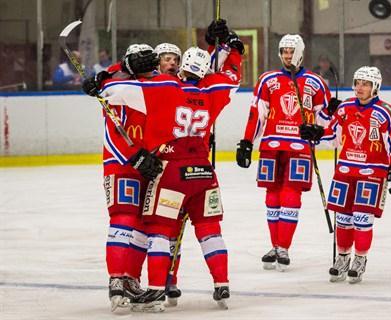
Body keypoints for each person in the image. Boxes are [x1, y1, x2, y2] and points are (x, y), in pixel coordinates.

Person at [99, 19, 243, 312]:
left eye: (175, 59)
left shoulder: (162, 86)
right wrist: (230, 46)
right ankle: (221, 283)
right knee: (209, 229)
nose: (169, 63)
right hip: (201, 171)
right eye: (164, 59)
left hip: (168, 169)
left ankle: (154, 287)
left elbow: (109, 90)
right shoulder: (212, 89)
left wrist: (110, 73)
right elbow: (230, 75)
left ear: (181, 64)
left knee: (158, 229)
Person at [235, 34, 335, 271]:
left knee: (291, 194)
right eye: (284, 51)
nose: (287, 56)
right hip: (271, 145)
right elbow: (257, 114)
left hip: (299, 147)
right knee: (272, 195)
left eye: (291, 51)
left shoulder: (315, 82)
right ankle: (275, 245)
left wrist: (322, 126)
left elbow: (324, 120)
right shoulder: (267, 80)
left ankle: (283, 247)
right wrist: (247, 142)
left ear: (300, 52)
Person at [299, 66, 391, 283]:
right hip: (345, 171)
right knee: (344, 220)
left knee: (362, 218)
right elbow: (331, 133)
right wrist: (316, 132)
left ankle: (360, 259)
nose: (359, 87)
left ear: (375, 87)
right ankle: (343, 257)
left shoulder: (387, 111)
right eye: (357, 82)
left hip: (372, 172)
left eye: (365, 84)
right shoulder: (345, 106)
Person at [82, 43, 161, 311]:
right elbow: (112, 134)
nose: (147, 70)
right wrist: (134, 157)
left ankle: (131, 280)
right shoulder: (118, 90)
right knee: (124, 216)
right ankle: (116, 279)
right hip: (122, 164)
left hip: (150, 164)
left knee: (143, 224)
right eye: (139, 64)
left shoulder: (157, 87)